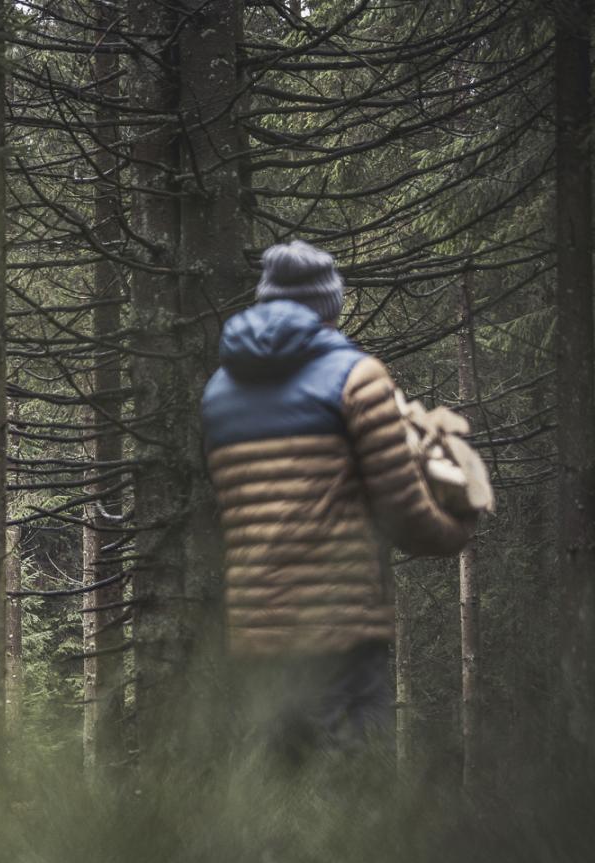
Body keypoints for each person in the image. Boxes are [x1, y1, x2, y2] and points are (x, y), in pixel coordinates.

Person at [200, 240, 476, 764]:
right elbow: (403, 513)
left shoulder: (218, 390)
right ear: (331, 304)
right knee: (352, 805)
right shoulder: (356, 378)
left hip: (258, 630)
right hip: (340, 629)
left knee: (277, 802)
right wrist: (460, 522)